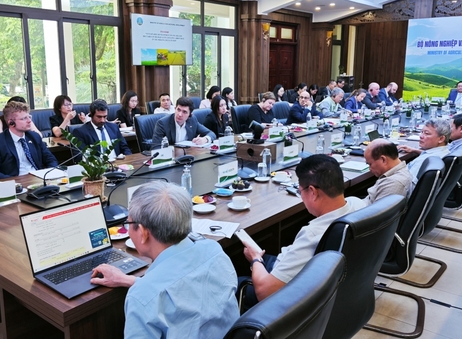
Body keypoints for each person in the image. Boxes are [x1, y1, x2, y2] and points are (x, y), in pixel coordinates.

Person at [52, 182, 239, 339]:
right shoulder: (213, 252)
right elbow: (182, 290)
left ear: (143, 232)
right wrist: (129, 280)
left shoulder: (146, 296)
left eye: (129, 223)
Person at [237, 155, 357, 308]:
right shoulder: (357, 204)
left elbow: (264, 292)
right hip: (333, 286)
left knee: (236, 282)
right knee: (262, 255)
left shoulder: (312, 234)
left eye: (301, 191)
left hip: (290, 299)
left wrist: (255, 260)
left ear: (312, 192)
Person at [0, 101, 58, 180]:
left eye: (29, 117)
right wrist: (16, 182)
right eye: (24, 118)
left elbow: (51, 159)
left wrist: (49, 175)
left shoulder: (34, 136)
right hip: (16, 184)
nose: (29, 121)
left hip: (39, 179)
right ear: (11, 123)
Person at [351, 139, 412, 206]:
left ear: (383, 160)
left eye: (370, 164)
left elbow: (375, 214)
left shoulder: (394, 184)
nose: (369, 169)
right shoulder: (396, 174)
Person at [398, 118, 451, 186]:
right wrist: (415, 150)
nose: (421, 136)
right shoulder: (444, 152)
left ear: (441, 139)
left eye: (426, 133)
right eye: (422, 132)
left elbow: (405, 184)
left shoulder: (425, 161)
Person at [152, 97, 216, 146]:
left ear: (190, 115)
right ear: (175, 108)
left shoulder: (192, 120)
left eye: (184, 112)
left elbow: (211, 134)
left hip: (188, 155)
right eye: (178, 110)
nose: (180, 114)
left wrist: (205, 139)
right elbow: (155, 146)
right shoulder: (162, 123)